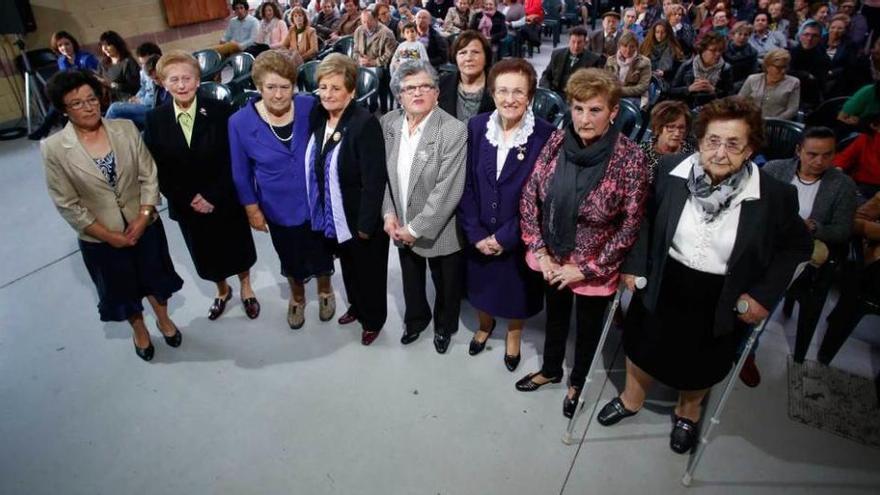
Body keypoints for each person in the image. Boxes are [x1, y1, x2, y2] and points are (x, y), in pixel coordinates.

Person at [601, 96, 812, 454]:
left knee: (701, 362)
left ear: (750, 150)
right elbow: (644, 219)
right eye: (712, 140)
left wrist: (763, 295)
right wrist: (634, 265)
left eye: (733, 144)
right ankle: (632, 398)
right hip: (665, 277)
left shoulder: (774, 196)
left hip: (723, 291)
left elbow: (797, 248)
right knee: (642, 343)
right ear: (699, 141)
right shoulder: (670, 171)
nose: (719, 152)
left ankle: (688, 413)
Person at [515, 68, 649, 420]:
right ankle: (550, 369)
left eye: (595, 110)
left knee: (588, 331)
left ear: (613, 112)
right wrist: (539, 250)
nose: (584, 119)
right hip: (553, 257)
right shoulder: (558, 141)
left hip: (594, 265)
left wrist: (586, 269)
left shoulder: (630, 158)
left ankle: (577, 382)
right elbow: (531, 194)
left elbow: (630, 225)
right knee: (555, 317)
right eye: (577, 108)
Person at [41, 70, 184, 362]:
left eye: (92, 99)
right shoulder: (54, 148)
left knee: (157, 280)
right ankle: (140, 330)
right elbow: (67, 203)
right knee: (124, 290)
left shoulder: (125, 129)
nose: (89, 107)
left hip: (145, 227)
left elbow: (148, 174)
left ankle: (164, 320)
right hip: (101, 237)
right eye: (77, 103)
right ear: (63, 109)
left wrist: (144, 216)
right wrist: (109, 236)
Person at [143, 51, 259, 322]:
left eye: (187, 78)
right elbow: (155, 167)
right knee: (207, 254)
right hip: (186, 204)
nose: (181, 85)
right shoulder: (155, 119)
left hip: (224, 197)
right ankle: (222, 291)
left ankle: (245, 287)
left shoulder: (220, 110)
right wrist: (189, 198)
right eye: (174, 79)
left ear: (198, 81)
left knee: (237, 247)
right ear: (163, 82)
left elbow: (234, 158)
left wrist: (212, 195)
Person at [457, 59, 554, 371]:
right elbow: (467, 183)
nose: (509, 99)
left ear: (530, 96)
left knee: (516, 294)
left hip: (518, 237)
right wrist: (475, 233)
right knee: (481, 289)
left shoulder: (546, 136)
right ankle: (485, 326)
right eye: (502, 91)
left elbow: (542, 200)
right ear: (492, 93)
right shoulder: (476, 126)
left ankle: (514, 335)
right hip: (480, 232)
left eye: (518, 92)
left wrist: (504, 237)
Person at [230, 51, 337, 330]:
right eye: (271, 87)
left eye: (285, 87)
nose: (278, 95)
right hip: (277, 206)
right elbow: (241, 173)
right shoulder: (239, 123)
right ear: (258, 87)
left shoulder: (309, 106)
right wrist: (252, 209)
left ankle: (326, 291)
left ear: (294, 86)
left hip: (316, 201)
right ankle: (298, 297)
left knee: (322, 251)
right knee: (289, 256)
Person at [381, 60, 468, 354]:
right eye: (409, 88)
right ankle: (416, 320)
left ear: (437, 93)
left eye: (425, 86)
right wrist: (389, 213)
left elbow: (448, 189)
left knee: (446, 284)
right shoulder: (389, 124)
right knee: (411, 279)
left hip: (440, 227)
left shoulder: (453, 130)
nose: (417, 93)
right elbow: (385, 176)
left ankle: (445, 327)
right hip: (400, 222)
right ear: (399, 95)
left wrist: (415, 228)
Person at [307, 54, 390, 345]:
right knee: (350, 269)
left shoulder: (364, 123)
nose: (327, 94)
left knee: (370, 273)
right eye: (323, 87)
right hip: (335, 215)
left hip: (361, 219)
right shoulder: (318, 115)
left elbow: (374, 180)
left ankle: (373, 320)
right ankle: (356, 307)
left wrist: (366, 225)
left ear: (351, 91)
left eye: (336, 88)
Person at [762, 127, 857, 372]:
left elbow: (842, 230)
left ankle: (748, 348)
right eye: (812, 154)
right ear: (798, 151)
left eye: (827, 155)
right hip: (768, 237)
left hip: (802, 245)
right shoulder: (774, 170)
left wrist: (813, 226)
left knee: (772, 275)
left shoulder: (842, 185)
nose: (819, 161)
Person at [28, 31, 101, 140]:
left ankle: (45, 128)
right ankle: (59, 130)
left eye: (67, 44)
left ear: (73, 44)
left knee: (62, 103)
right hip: (72, 92)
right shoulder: (61, 60)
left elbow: (96, 79)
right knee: (58, 101)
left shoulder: (86, 58)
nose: (64, 48)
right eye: (60, 45)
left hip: (88, 91)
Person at [438, 30, 496, 121]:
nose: (468, 58)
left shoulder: (498, 86)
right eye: (463, 53)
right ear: (455, 57)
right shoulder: (441, 84)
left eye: (475, 52)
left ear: (486, 57)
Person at [105, 42, 164, 130]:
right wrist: (135, 98)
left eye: (146, 63)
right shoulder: (144, 72)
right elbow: (143, 89)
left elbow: (156, 99)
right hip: (143, 106)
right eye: (142, 64)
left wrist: (140, 100)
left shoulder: (160, 72)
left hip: (154, 110)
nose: (144, 67)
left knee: (115, 109)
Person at [669, 31, 734, 108]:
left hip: (714, 109)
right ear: (703, 50)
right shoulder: (687, 66)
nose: (718, 54)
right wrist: (689, 89)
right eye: (713, 50)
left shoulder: (726, 69)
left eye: (720, 50)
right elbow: (671, 91)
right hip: (689, 108)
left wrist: (714, 90)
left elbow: (730, 97)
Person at [640, 100, 695, 181]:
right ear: (658, 127)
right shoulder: (641, 152)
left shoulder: (691, 156)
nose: (677, 133)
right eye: (671, 127)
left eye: (681, 128)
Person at [540, 26, 603, 97]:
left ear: (585, 42)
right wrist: (547, 91)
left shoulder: (594, 59)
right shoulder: (557, 54)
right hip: (556, 93)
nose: (576, 46)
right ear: (569, 41)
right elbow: (546, 75)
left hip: (579, 97)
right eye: (573, 42)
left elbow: (595, 84)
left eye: (579, 42)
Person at [738, 48, 800, 120]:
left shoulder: (794, 82)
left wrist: (774, 121)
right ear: (767, 66)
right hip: (752, 122)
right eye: (779, 67)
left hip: (777, 125)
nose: (783, 71)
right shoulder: (752, 79)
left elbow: (793, 109)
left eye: (785, 67)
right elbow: (739, 101)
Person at [834, 111, 880, 201]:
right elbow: (843, 158)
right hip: (864, 187)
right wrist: (837, 169)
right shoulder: (864, 139)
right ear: (874, 126)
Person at [789, 20, 831, 108]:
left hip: (808, 97)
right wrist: (806, 75)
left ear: (819, 38)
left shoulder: (823, 58)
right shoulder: (791, 53)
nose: (809, 39)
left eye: (814, 36)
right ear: (800, 36)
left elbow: (818, 82)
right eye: (806, 34)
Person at [605, 31, 653, 108]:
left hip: (635, 97)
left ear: (637, 47)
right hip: (613, 94)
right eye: (625, 46)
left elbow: (643, 87)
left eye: (632, 46)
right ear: (619, 46)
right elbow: (606, 81)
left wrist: (620, 91)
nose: (628, 50)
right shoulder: (611, 60)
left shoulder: (645, 62)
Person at [96, 31, 140, 103]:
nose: (105, 49)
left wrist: (112, 85)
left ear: (116, 45)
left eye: (108, 45)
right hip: (108, 102)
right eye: (102, 46)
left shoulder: (128, 62)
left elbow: (134, 87)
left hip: (126, 100)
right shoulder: (102, 64)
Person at [724, 22, 758, 86]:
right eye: (739, 34)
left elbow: (752, 74)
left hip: (742, 85)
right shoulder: (723, 49)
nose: (742, 37)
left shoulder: (753, 53)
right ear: (733, 35)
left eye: (746, 35)